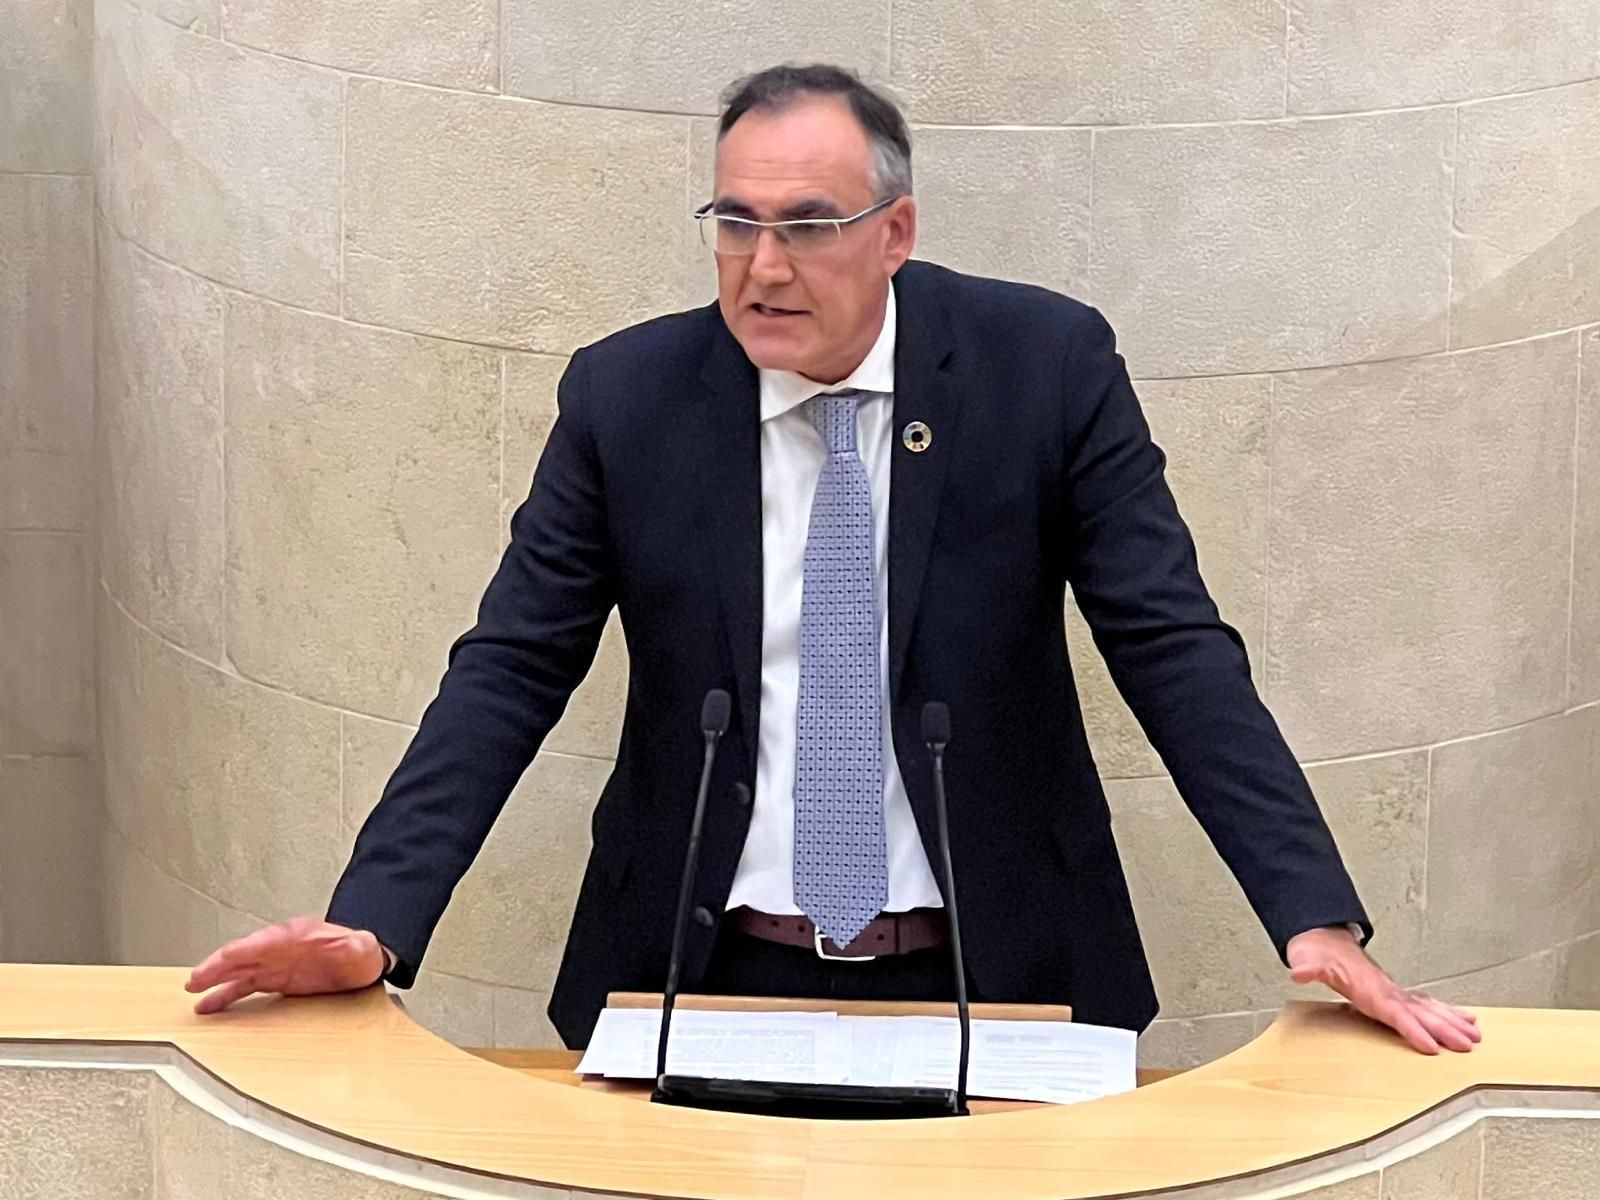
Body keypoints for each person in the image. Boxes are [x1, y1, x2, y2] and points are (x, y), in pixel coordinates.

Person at [188, 64, 1479, 1057]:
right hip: (701, 966)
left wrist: (1313, 912)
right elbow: (510, 669)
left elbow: (1173, 645)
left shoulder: (1046, 369)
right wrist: (376, 919)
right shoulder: (627, 398)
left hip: (998, 968)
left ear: (896, 229)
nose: (762, 267)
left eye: (807, 225)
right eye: (735, 222)